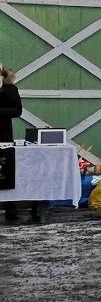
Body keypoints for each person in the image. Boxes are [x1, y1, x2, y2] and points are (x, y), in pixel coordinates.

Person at [1, 64, 31, 224]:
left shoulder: (10, 89)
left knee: (6, 169)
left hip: (3, 134)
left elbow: (17, 110)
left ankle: (10, 207)